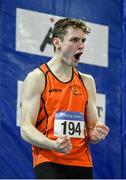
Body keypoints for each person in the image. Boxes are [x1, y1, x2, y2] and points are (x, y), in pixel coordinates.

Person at [21, 18, 110, 179]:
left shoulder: (87, 81)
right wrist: (54, 145)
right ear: (57, 42)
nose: (81, 45)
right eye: (75, 39)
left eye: (83, 40)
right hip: (49, 160)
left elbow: (91, 129)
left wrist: (96, 133)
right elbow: (26, 128)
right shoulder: (37, 78)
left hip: (82, 163)